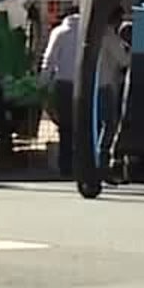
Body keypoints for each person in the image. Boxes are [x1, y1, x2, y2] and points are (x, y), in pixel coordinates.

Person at [39, 10, 82, 177]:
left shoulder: (59, 32)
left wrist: (43, 82)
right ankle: (83, 162)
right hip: (85, 83)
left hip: (63, 83)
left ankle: (65, 165)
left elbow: (49, 60)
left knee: (65, 127)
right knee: (83, 125)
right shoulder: (88, 30)